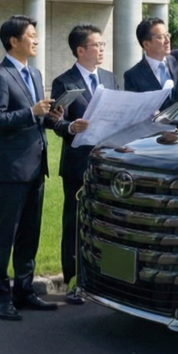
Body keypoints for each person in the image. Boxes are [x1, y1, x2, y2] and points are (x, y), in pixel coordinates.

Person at [0, 15, 64, 322]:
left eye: (36, 35)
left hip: (35, 167)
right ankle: (0, 299)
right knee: (6, 235)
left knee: (29, 234)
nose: (36, 40)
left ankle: (25, 291)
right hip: (10, 171)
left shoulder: (34, 73)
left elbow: (35, 119)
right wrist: (31, 111)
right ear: (13, 41)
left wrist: (51, 115)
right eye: (31, 35)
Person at [50, 23, 117, 305]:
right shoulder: (64, 82)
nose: (102, 49)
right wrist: (69, 127)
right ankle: (74, 280)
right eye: (96, 45)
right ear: (81, 50)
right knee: (75, 222)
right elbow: (53, 121)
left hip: (109, 162)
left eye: (103, 45)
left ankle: (110, 278)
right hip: (78, 164)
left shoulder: (110, 79)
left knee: (111, 223)